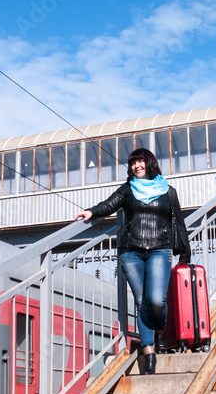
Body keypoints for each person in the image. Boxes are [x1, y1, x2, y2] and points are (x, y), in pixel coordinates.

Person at [75, 148, 190, 374]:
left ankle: (161, 330)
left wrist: (185, 251)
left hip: (159, 249)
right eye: (133, 163)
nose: (136, 166)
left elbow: (179, 222)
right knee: (141, 302)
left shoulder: (168, 192)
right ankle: (149, 353)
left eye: (140, 161)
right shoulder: (128, 189)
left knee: (156, 300)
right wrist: (91, 211)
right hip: (131, 250)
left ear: (149, 163)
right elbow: (109, 204)